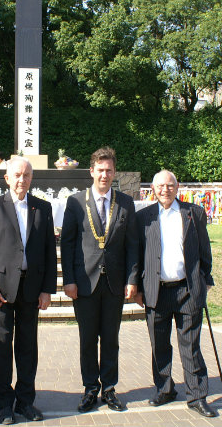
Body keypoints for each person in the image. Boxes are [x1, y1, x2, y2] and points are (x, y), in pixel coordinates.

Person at [0, 156, 56, 425]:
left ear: (31, 178)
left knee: (27, 348)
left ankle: (25, 402)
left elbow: (48, 250)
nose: (22, 180)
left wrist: (47, 289)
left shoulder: (42, 208)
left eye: (27, 175)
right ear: (7, 178)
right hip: (1, 290)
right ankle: (4, 405)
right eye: (17, 175)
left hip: (31, 291)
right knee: (0, 349)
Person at [60, 147, 139, 413]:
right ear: (91, 171)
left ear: (114, 172)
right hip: (84, 282)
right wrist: (68, 280)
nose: (104, 175)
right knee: (87, 339)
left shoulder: (126, 203)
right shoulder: (75, 202)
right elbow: (68, 244)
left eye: (109, 170)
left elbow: (132, 245)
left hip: (115, 283)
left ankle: (110, 389)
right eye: (100, 170)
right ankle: (90, 389)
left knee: (111, 339)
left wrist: (132, 278)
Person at [134, 170, 218, 418]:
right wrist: (137, 287)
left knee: (190, 345)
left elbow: (205, 250)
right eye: (160, 186)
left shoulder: (193, 213)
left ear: (177, 186)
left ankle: (197, 395)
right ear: (153, 188)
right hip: (155, 291)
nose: (165, 190)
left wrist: (206, 281)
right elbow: (138, 255)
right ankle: (164, 389)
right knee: (159, 344)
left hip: (187, 289)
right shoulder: (143, 218)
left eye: (170, 185)